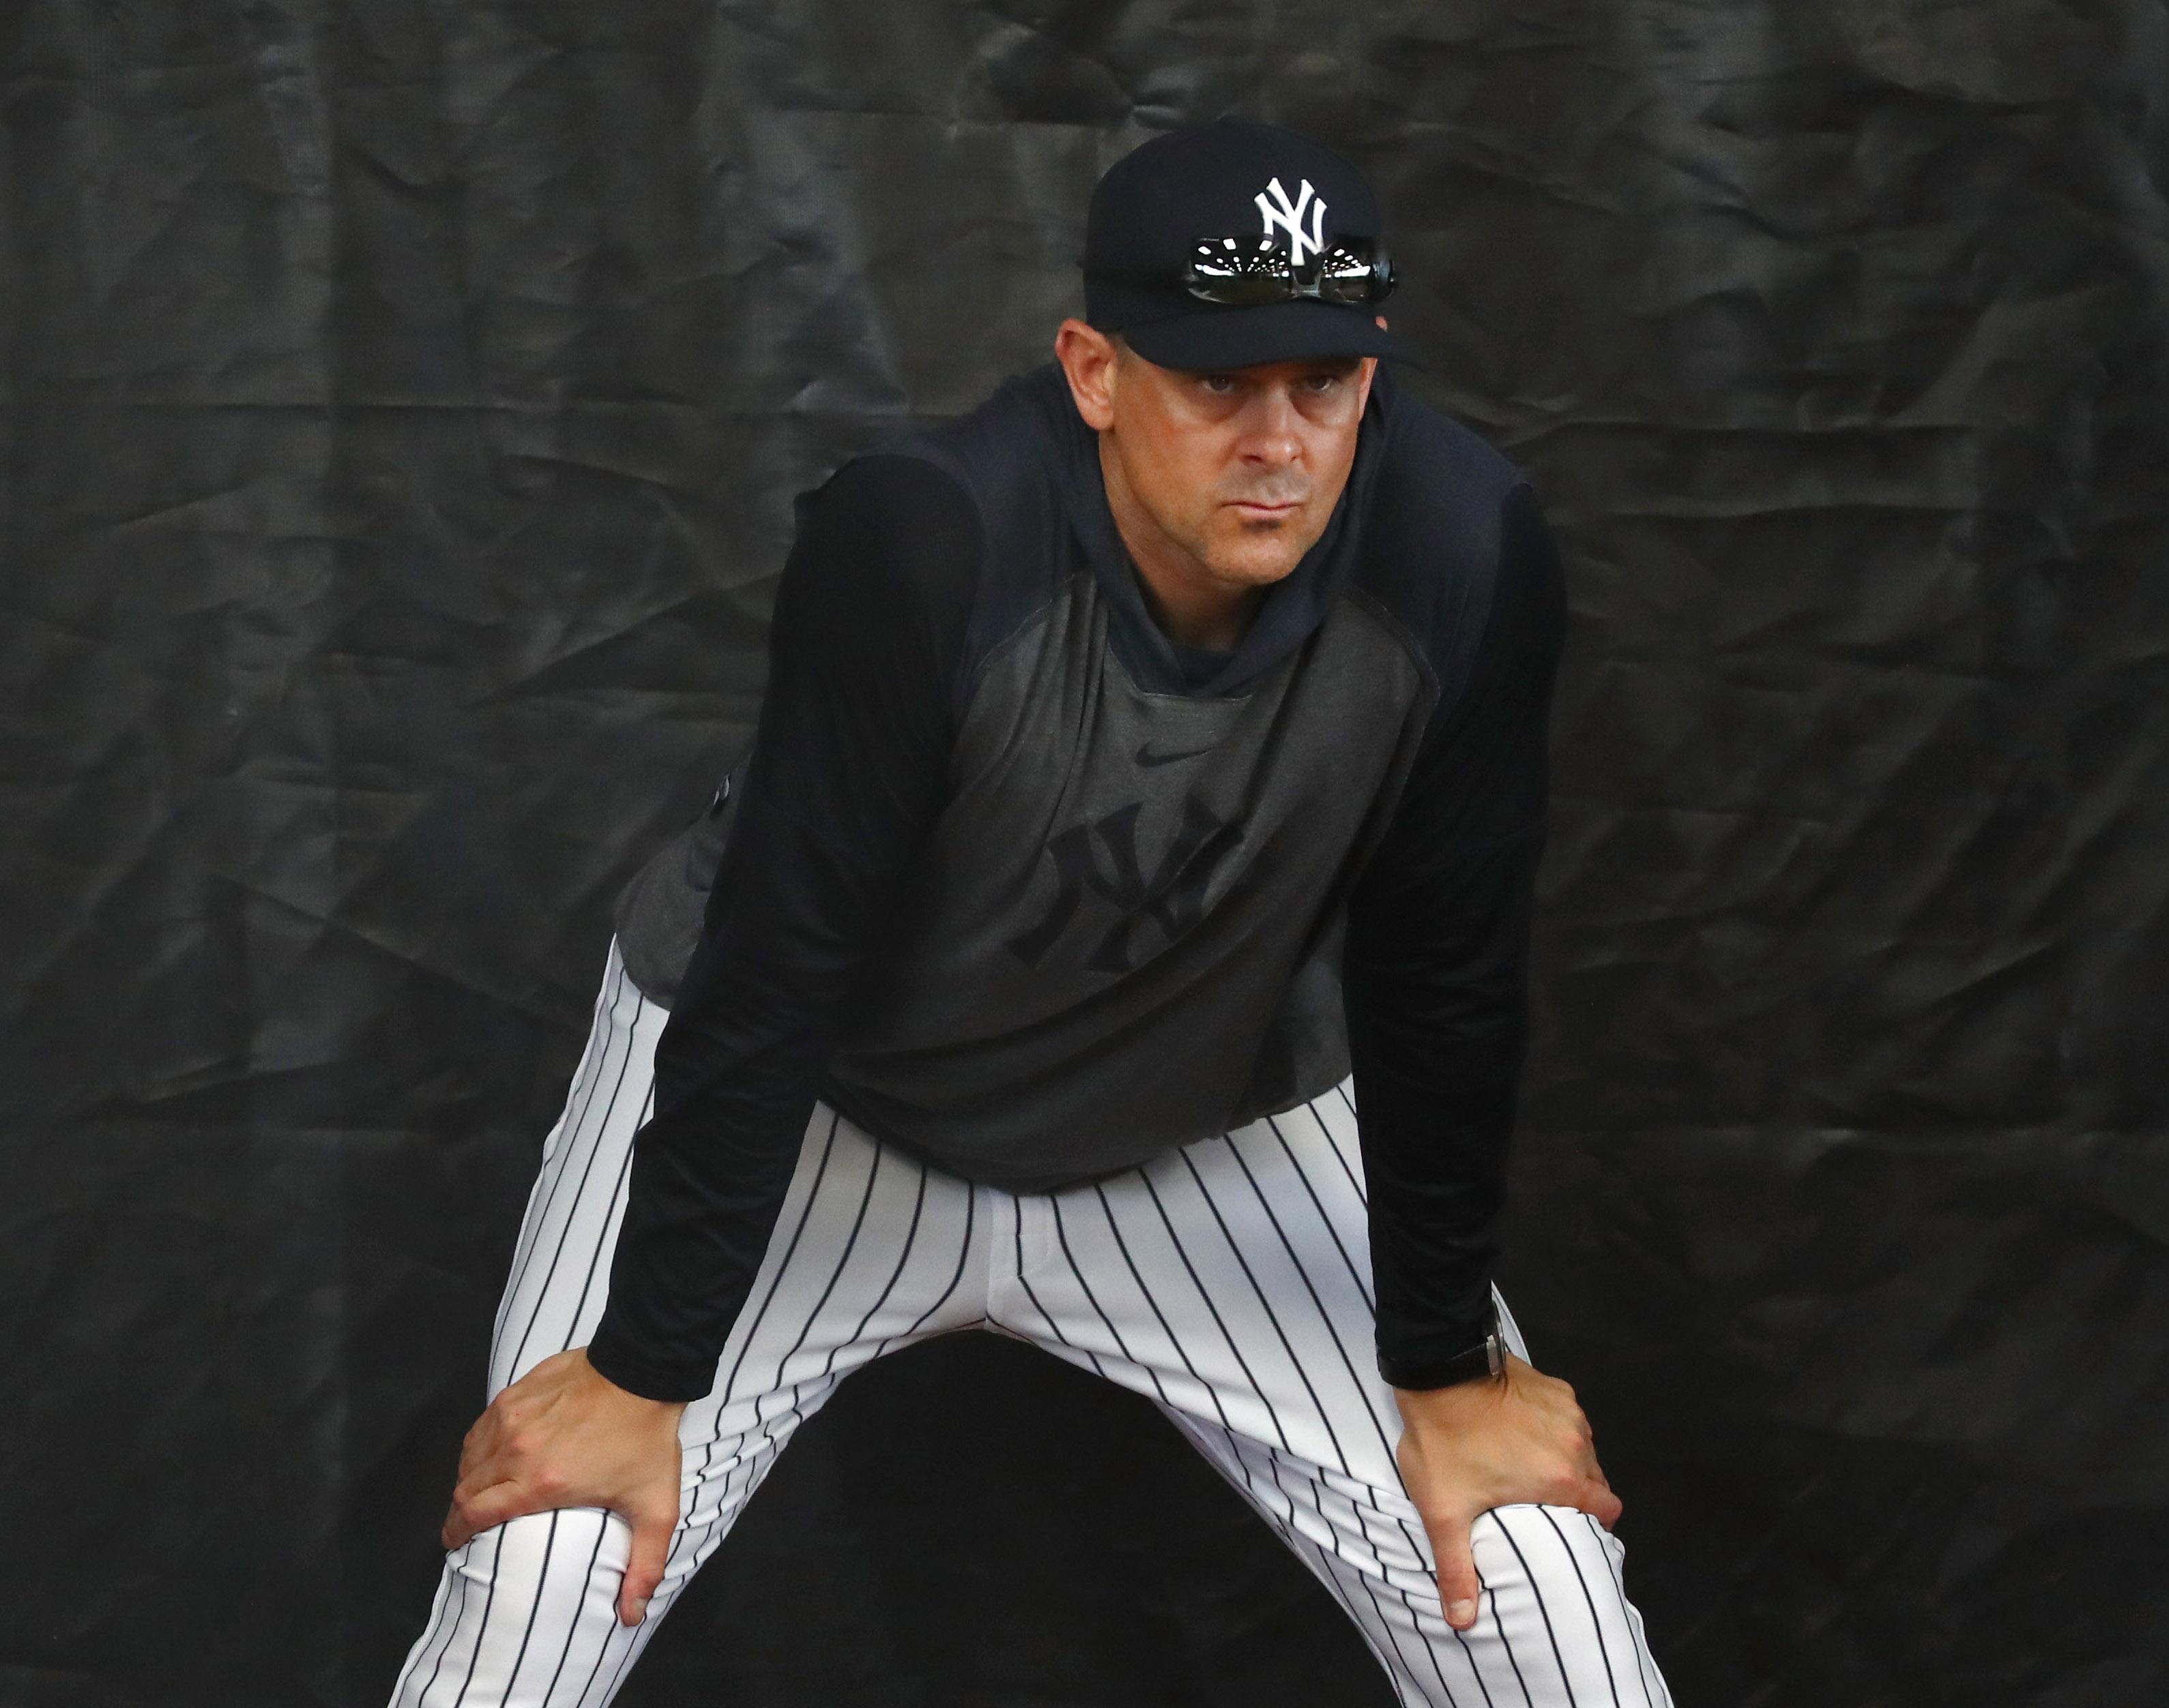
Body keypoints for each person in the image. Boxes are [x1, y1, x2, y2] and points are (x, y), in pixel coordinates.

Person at [389, 118, 1672, 1708]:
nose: (1280, 441)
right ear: (1095, 371)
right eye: (1220, 382)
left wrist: (1438, 1361)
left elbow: (1443, 972)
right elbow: (780, 956)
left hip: (1198, 1128)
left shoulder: (1464, 549)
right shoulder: (932, 534)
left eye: (1325, 383)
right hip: (821, 1122)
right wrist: (648, 1364)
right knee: (546, 1562)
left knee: (1538, 1589)